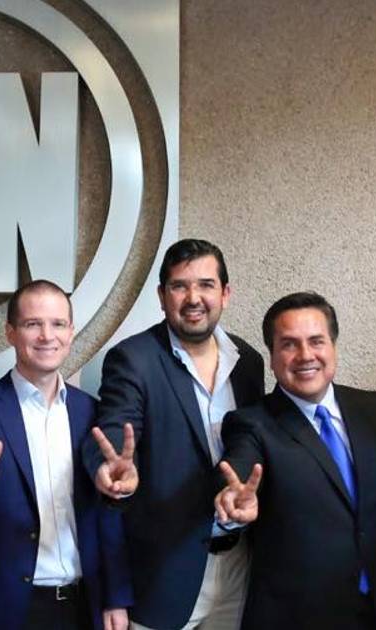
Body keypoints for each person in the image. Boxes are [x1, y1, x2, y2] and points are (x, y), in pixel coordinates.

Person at [81, 238, 265, 630]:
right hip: (164, 576)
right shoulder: (134, 359)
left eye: (206, 285)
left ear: (225, 293)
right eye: (180, 286)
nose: (193, 298)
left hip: (239, 567)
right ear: (162, 296)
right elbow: (115, 433)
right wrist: (112, 470)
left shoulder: (248, 362)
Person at [0, 280, 132, 630]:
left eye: (58, 324)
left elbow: (106, 518)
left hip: (83, 605)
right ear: (10, 332)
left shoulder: (93, 413)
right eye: (32, 324)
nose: (46, 335)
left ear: (71, 332)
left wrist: (115, 597)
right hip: (2, 608)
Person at [215, 292, 376, 629]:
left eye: (316, 341)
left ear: (333, 346)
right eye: (289, 344)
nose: (305, 355)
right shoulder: (252, 424)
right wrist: (231, 503)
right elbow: (237, 470)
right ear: (272, 356)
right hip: (302, 617)